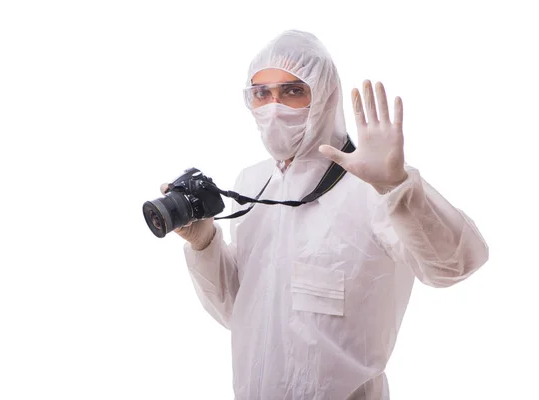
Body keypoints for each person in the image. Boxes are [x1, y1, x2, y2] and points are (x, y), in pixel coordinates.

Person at [160, 30, 489, 400]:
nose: (273, 107)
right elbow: (241, 311)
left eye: (293, 91)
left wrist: (397, 186)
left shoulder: (370, 184)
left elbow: (456, 264)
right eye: (261, 93)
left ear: (325, 97)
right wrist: (204, 243)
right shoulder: (253, 183)